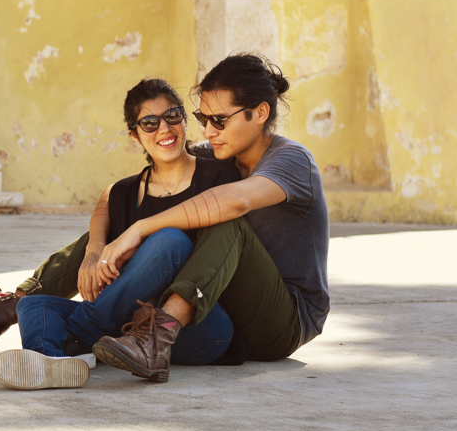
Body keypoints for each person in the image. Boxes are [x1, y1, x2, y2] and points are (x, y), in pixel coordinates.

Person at [0, 78, 241, 389]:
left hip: (194, 325)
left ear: (185, 121)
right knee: (33, 306)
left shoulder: (219, 175)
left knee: (170, 240)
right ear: (135, 135)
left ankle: (76, 337)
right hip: (128, 329)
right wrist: (94, 249)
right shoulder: (126, 192)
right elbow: (107, 201)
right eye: (149, 122)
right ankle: (49, 364)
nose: (164, 129)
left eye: (173, 116)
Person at [90, 53, 329, 382]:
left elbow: (234, 202)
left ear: (260, 112)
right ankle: (18, 303)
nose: (209, 130)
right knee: (155, 205)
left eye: (220, 120)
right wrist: (96, 247)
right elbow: (120, 193)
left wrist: (140, 229)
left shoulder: (291, 159)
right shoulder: (210, 154)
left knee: (225, 221)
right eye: (203, 119)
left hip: (283, 321)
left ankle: (156, 339)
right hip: (220, 305)